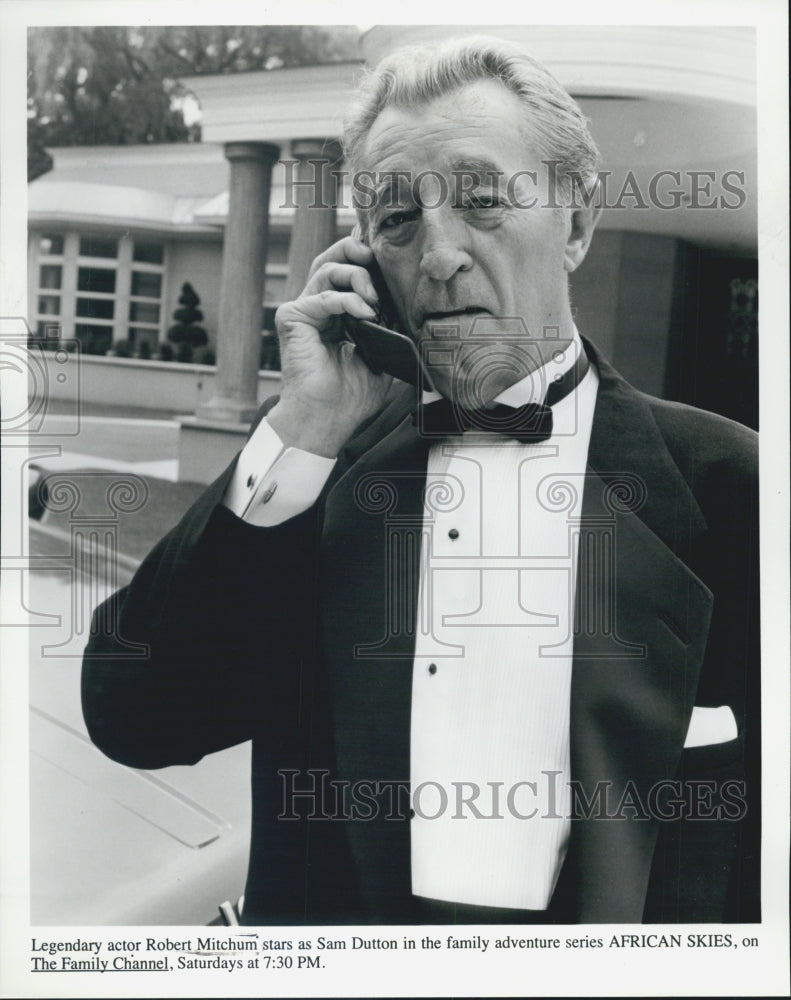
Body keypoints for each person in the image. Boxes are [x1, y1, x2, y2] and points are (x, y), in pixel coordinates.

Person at [82, 36, 759, 925]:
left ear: (577, 223)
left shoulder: (733, 487)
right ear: (367, 264)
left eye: (482, 199)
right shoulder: (312, 476)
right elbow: (136, 718)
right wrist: (301, 428)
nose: (439, 253)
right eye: (398, 220)